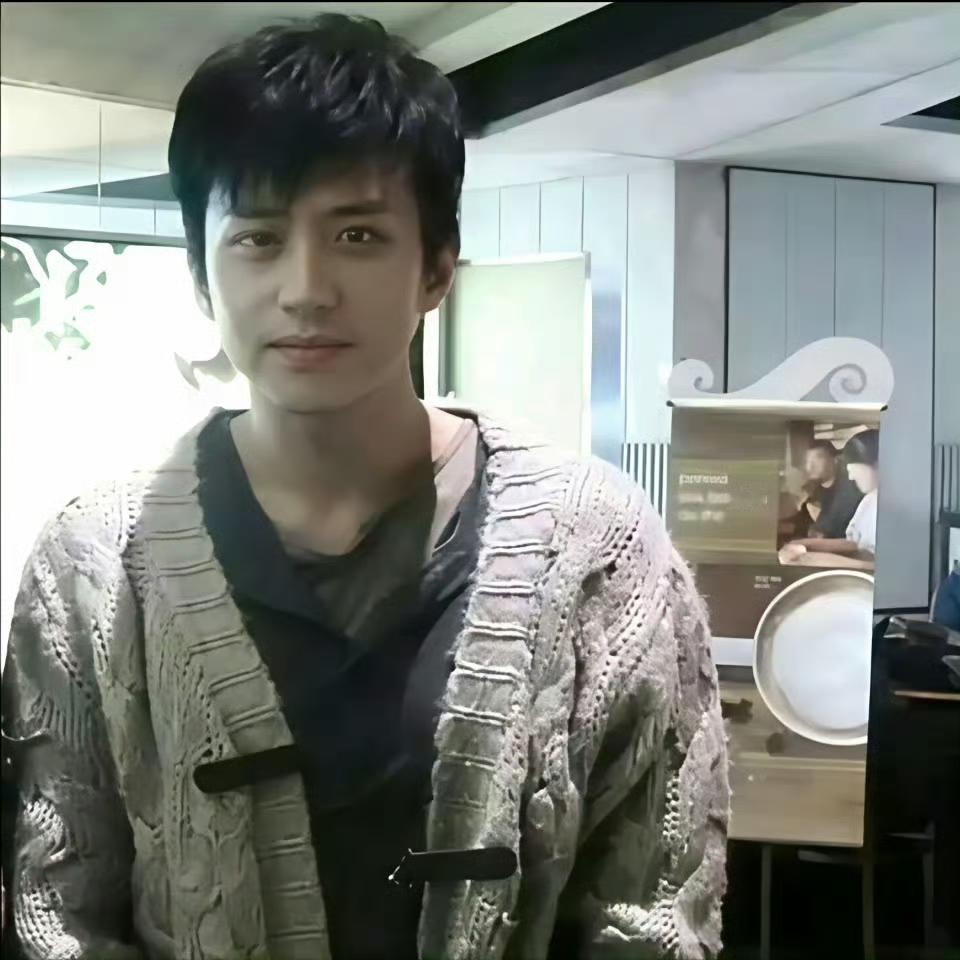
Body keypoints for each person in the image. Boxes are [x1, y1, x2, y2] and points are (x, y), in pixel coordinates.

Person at [0, 15, 728, 960]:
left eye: (357, 234)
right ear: (200, 275)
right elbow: (58, 910)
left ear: (436, 267)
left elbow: (655, 908)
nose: (306, 288)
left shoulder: (600, 548)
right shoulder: (95, 563)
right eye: (258, 238)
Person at [781, 429, 880, 564]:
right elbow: (855, 544)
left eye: (854, 470)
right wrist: (803, 544)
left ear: (877, 464)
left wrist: (805, 559)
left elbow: (873, 564)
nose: (851, 477)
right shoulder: (869, 500)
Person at [800, 440, 862, 540]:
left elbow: (827, 530)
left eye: (818, 458)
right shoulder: (811, 491)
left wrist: (819, 527)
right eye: (807, 461)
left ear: (835, 459)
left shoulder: (849, 485)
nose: (810, 466)